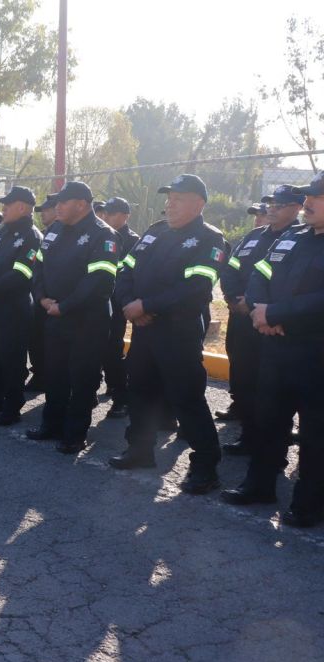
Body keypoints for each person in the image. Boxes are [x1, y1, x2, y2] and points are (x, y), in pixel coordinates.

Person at [109, 174, 226, 495]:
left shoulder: (210, 239)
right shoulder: (155, 231)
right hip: (144, 329)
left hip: (178, 333)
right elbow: (125, 269)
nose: (170, 205)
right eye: (169, 199)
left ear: (198, 204)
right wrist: (130, 303)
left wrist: (146, 305)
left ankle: (205, 466)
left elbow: (196, 287)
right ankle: (140, 450)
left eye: (178, 199)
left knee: (186, 398)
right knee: (140, 390)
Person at [221, 171, 324, 527]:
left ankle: (309, 503)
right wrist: (258, 308)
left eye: (316, 197)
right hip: (276, 348)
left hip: (315, 354)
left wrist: (276, 313)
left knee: (315, 433)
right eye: (307, 196)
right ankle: (259, 485)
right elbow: (259, 273)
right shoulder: (293, 238)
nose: (308, 203)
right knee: (268, 421)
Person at [29, 181, 118, 454]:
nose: (57, 207)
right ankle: (51, 425)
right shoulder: (54, 230)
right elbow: (38, 266)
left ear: (81, 204)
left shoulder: (103, 234)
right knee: (55, 374)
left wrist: (65, 306)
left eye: (63, 202)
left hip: (86, 319)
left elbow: (99, 280)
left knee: (82, 378)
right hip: (54, 313)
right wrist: (42, 298)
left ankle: (75, 434)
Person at [217, 185, 304, 455]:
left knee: (271, 385)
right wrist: (234, 298)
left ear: (296, 208)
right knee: (243, 376)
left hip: (272, 325)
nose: (271, 209)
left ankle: (274, 441)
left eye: (279, 205)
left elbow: (293, 286)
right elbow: (231, 268)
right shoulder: (254, 236)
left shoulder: (300, 238)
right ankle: (249, 436)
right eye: (271, 204)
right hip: (242, 318)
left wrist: (254, 305)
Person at [0, 186, 43, 425]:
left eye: (7, 205)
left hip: (14, 308)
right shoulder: (1, 232)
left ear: (21, 207)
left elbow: (21, 273)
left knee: (11, 359)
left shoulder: (32, 236)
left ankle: (12, 406)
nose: (3, 210)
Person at [101, 197, 140, 418]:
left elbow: (126, 274)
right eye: (105, 212)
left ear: (125, 216)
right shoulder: (101, 235)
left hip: (117, 302)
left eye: (111, 213)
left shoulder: (133, 240)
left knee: (112, 350)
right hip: (97, 301)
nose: (105, 216)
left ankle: (121, 398)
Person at [26, 194, 58, 393]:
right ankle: (39, 374)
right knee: (36, 339)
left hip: (58, 301)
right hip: (40, 298)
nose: (43, 214)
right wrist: (40, 296)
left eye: (47, 210)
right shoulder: (47, 234)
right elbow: (37, 268)